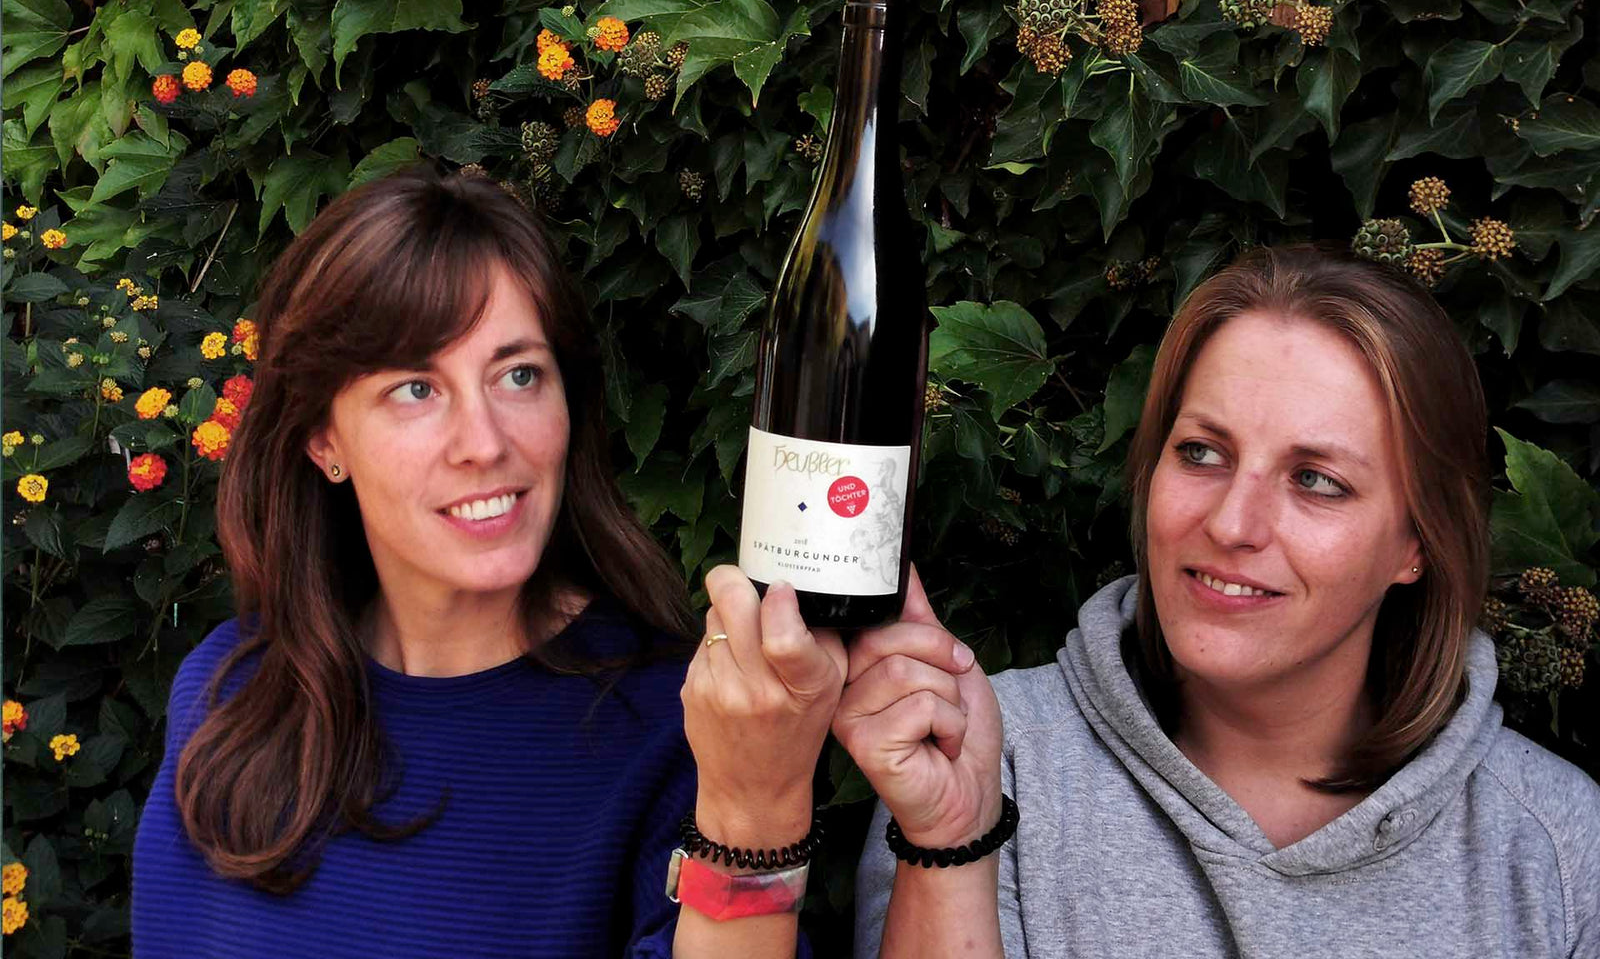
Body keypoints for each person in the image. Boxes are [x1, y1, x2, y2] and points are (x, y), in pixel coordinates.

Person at [823, 244, 1600, 957]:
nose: (1231, 523)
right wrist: (952, 842)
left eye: (1316, 481)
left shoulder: (1557, 847)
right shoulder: (987, 761)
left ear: (1417, 544)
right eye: (1201, 453)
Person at [131, 170, 835, 957]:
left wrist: (754, 815)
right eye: (414, 389)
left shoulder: (684, 728)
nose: (486, 442)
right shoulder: (230, 690)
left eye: (519, 375)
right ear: (322, 438)